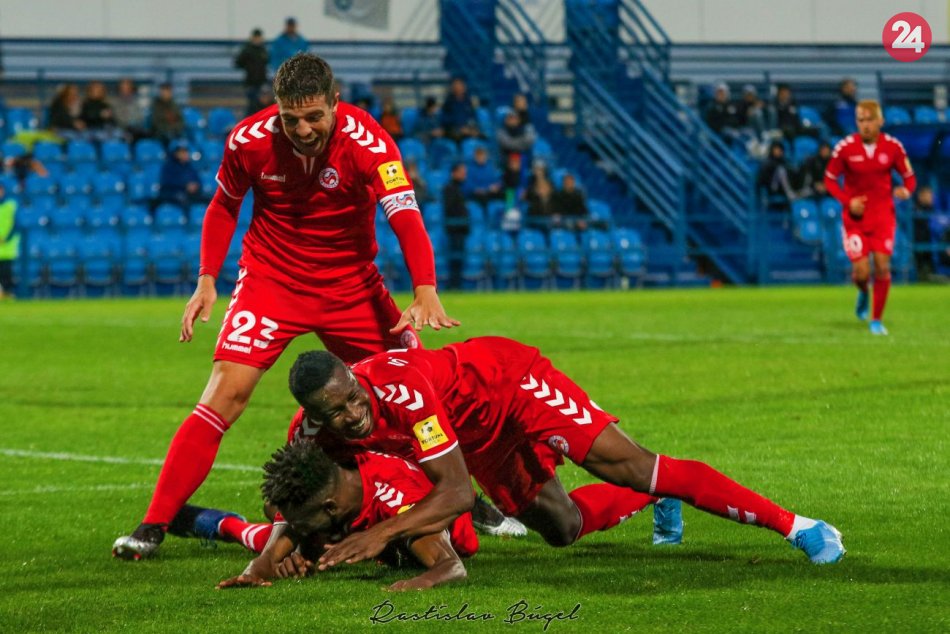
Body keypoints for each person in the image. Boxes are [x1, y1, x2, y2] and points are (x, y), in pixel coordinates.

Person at [112, 52, 460, 561]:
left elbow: (404, 214)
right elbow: (224, 205)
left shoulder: (370, 141)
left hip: (350, 286)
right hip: (272, 281)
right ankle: (153, 523)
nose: (302, 129)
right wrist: (206, 279)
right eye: (290, 118)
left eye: (314, 116)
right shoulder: (248, 141)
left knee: (414, 385)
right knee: (224, 395)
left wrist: (425, 288)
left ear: (335, 103)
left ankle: (458, 493)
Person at [284, 338, 845, 572]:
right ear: (313, 414)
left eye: (354, 397)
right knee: (563, 528)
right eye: (337, 412)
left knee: (632, 465)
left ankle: (800, 527)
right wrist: (277, 554)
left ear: (353, 375)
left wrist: (380, 535)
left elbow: (454, 492)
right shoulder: (308, 436)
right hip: (475, 436)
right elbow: (292, 493)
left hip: (512, 384)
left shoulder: (401, 389)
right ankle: (652, 501)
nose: (353, 414)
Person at [216, 443, 479, 590]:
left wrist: (414, 585)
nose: (297, 529)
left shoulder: (396, 502)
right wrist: (256, 569)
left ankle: (224, 525)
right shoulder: (333, 479)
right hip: (347, 523)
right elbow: (279, 534)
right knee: (275, 512)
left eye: (301, 525)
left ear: (330, 507)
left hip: (437, 520)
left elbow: (451, 567)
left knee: (277, 534)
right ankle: (217, 523)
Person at [824, 100, 916, 336]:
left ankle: (876, 320)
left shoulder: (893, 147)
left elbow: (909, 178)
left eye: (869, 120)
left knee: (883, 267)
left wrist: (906, 190)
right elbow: (830, 180)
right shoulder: (845, 148)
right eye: (860, 120)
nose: (865, 125)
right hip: (855, 220)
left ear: (880, 121)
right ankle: (864, 291)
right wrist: (848, 202)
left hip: (883, 217)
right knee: (862, 272)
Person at [442, 162, 469, 290]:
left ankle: (456, 283)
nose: (464, 175)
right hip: (454, 228)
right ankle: (453, 284)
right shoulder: (450, 188)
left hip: (461, 228)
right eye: (462, 172)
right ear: (454, 173)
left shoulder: (461, 188)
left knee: (458, 257)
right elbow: (451, 208)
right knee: (454, 257)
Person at [157, 142, 203, 212]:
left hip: (190, 193)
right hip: (172, 193)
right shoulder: (169, 166)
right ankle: (185, 217)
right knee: (182, 199)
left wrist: (195, 185)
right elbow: (167, 182)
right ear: (176, 154)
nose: (186, 154)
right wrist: (185, 185)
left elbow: (197, 180)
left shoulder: (190, 166)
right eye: (182, 152)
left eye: (186, 152)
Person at [235, 28, 270, 117]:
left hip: (261, 81)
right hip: (251, 82)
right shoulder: (247, 49)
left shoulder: (263, 49)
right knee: (252, 105)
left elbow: (266, 62)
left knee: (260, 106)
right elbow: (238, 63)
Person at [757, 141, 796, 212]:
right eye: (776, 149)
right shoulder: (767, 163)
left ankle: (794, 191)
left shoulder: (785, 162)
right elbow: (761, 180)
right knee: (781, 171)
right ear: (772, 150)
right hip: (773, 188)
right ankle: (790, 193)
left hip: (782, 189)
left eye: (780, 150)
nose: (778, 151)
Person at [440, 77, 480, 143]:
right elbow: (445, 120)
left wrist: (470, 128)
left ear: (464, 88)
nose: (458, 88)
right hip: (454, 131)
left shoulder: (469, 102)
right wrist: (460, 128)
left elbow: (473, 117)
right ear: (452, 88)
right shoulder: (448, 103)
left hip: (468, 130)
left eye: (460, 86)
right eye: (456, 86)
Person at [112, 78, 148, 143]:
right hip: (120, 129)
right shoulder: (114, 102)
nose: (125, 90)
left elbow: (140, 117)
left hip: (135, 129)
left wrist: (133, 123)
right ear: (119, 89)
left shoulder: (137, 102)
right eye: (123, 88)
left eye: (128, 88)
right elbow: (116, 117)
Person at [911, 186, 936, 279]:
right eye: (927, 195)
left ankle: (930, 274)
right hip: (917, 240)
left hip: (930, 240)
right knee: (920, 261)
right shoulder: (915, 208)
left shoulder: (932, 209)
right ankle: (920, 275)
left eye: (931, 196)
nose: (930, 198)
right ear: (920, 196)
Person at [0, 183, 18, 299]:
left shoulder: (11, 205)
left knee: (6, 272)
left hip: (7, 247)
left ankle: (7, 293)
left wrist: (6, 238)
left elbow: (16, 224)